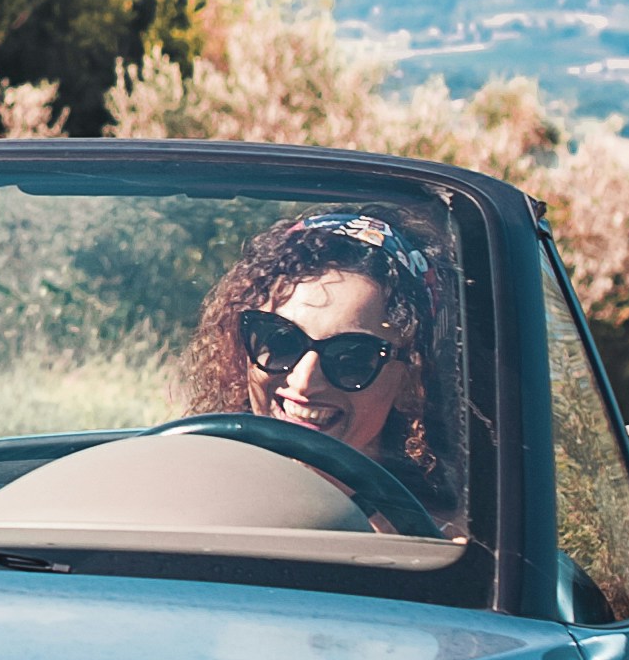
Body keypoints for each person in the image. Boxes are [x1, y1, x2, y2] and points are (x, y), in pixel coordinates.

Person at [182, 208, 455, 514]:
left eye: (351, 358)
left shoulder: (447, 547)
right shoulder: (184, 494)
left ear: (410, 380)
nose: (304, 382)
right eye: (281, 341)